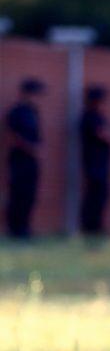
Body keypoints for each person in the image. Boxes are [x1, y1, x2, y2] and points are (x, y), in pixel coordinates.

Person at [5, 78, 45, 238]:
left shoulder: (34, 112)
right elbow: (12, 135)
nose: (36, 97)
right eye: (34, 93)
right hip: (19, 159)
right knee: (17, 193)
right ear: (26, 93)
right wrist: (29, 148)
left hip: (32, 160)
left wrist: (37, 149)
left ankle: (25, 228)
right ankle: (14, 229)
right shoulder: (16, 111)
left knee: (30, 194)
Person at [80, 85, 110, 236]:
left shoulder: (99, 116)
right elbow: (103, 135)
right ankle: (90, 227)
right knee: (94, 196)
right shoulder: (90, 117)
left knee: (101, 195)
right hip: (94, 164)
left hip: (101, 164)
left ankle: (96, 226)